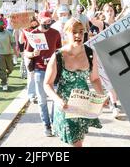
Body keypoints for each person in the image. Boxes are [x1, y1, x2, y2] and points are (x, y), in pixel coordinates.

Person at [44, 18, 103, 146]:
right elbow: (47, 84)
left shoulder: (90, 53)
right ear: (66, 34)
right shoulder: (58, 56)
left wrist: (101, 95)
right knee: (76, 144)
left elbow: (95, 78)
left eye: (81, 32)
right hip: (65, 106)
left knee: (78, 141)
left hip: (83, 104)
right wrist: (57, 100)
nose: (78, 35)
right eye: (74, 32)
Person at [24, 11, 62, 136]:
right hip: (39, 69)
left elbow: (59, 50)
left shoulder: (55, 33)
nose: (47, 23)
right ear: (39, 19)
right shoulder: (33, 34)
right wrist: (33, 54)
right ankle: (46, 125)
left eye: (49, 20)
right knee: (42, 100)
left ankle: (54, 123)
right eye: (45, 21)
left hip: (53, 69)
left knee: (55, 98)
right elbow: (26, 53)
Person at [0, 19, 16, 91]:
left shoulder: (8, 33)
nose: (0, 27)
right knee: (1, 69)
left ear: (4, 25)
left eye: (1, 25)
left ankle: (6, 76)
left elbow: (13, 42)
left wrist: (15, 51)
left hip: (9, 53)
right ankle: (4, 83)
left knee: (11, 68)